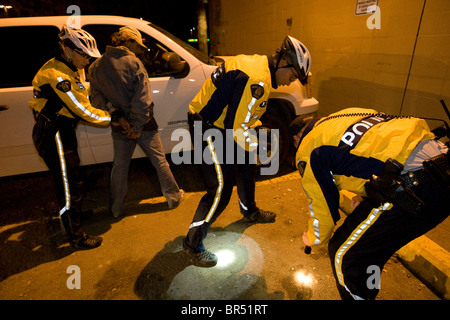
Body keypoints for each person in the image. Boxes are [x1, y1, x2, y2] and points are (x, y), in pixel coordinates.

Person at [290, 107, 449, 299]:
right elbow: (372, 152)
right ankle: (369, 288)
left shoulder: (308, 147)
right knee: (370, 250)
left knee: (346, 256)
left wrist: (314, 237)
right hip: (441, 165)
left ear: (297, 137)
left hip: (413, 187)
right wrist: (365, 196)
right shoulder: (345, 115)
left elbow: (321, 198)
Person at [182, 36, 312, 267]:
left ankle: (249, 211)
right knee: (220, 190)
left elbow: (242, 114)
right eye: (291, 76)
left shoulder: (258, 63)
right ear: (283, 63)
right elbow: (235, 127)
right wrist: (260, 149)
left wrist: (254, 141)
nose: (288, 83)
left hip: (223, 124)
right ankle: (192, 245)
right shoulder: (259, 80)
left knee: (246, 166)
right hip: (208, 126)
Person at [88, 26, 184, 218]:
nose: (139, 50)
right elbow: (142, 100)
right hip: (144, 124)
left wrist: (119, 118)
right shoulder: (134, 63)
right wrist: (137, 126)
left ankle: (116, 208)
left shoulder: (95, 66)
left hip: (119, 125)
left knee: (120, 166)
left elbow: (96, 100)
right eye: (137, 45)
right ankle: (173, 197)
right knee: (159, 160)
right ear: (127, 42)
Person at [30, 25, 111, 249]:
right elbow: (81, 109)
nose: (87, 61)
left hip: (61, 130)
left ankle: (73, 217)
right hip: (55, 134)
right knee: (69, 185)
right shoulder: (57, 76)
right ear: (67, 49)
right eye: (84, 56)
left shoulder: (64, 67)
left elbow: (81, 98)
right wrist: (111, 119)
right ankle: (76, 237)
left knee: (72, 179)